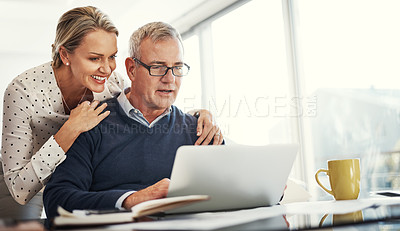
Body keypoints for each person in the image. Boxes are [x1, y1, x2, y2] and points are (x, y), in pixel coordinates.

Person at [0, 6, 222, 220]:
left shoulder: (111, 82)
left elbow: (145, 99)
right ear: (65, 55)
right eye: (95, 58)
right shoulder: (24, 91)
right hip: (24, 180)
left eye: (111, 57)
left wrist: (196, 117)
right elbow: (23, 190)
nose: (106, 68)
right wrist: (71, 129)